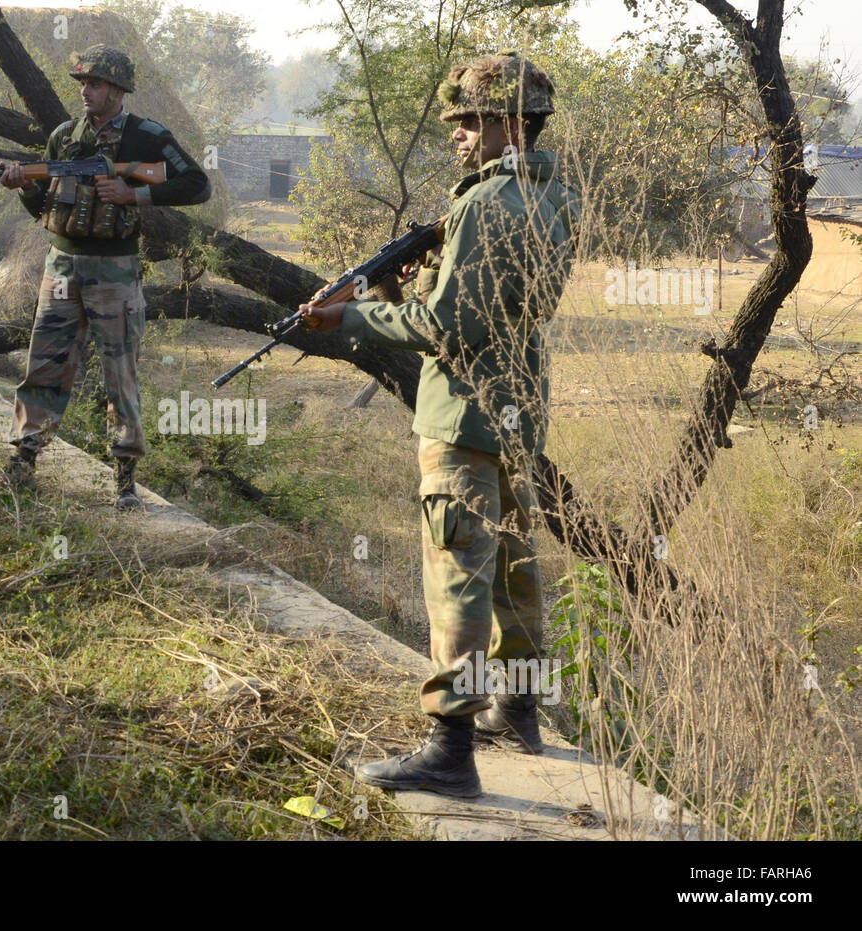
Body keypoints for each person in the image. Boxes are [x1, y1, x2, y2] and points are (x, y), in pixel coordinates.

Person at [300, 54, 581, 797]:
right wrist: (399, 277)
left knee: (459, 574)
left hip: (462, 414)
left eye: (471, 121)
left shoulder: (485, 206)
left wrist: (350, 315)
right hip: (518, 410)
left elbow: (448, 321)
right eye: (456, 122)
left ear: (511, 122)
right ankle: (517, 711)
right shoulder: (553, 197)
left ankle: (449, 747)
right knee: (517, 567)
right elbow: (498, 307)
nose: (457, 135)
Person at [0, 44, 211, 509]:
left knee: (120, 371)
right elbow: (45, 210)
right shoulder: (63, 137)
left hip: (115, 271)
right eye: (81, 84)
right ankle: (23, 459)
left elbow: (197, 183)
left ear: (117, 89)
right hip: (61, 266)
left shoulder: (147, 138)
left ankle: (124, 476)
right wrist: (26, 187)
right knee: (44, 363)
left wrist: (135, 196)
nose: (84, 92)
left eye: (93, 84)